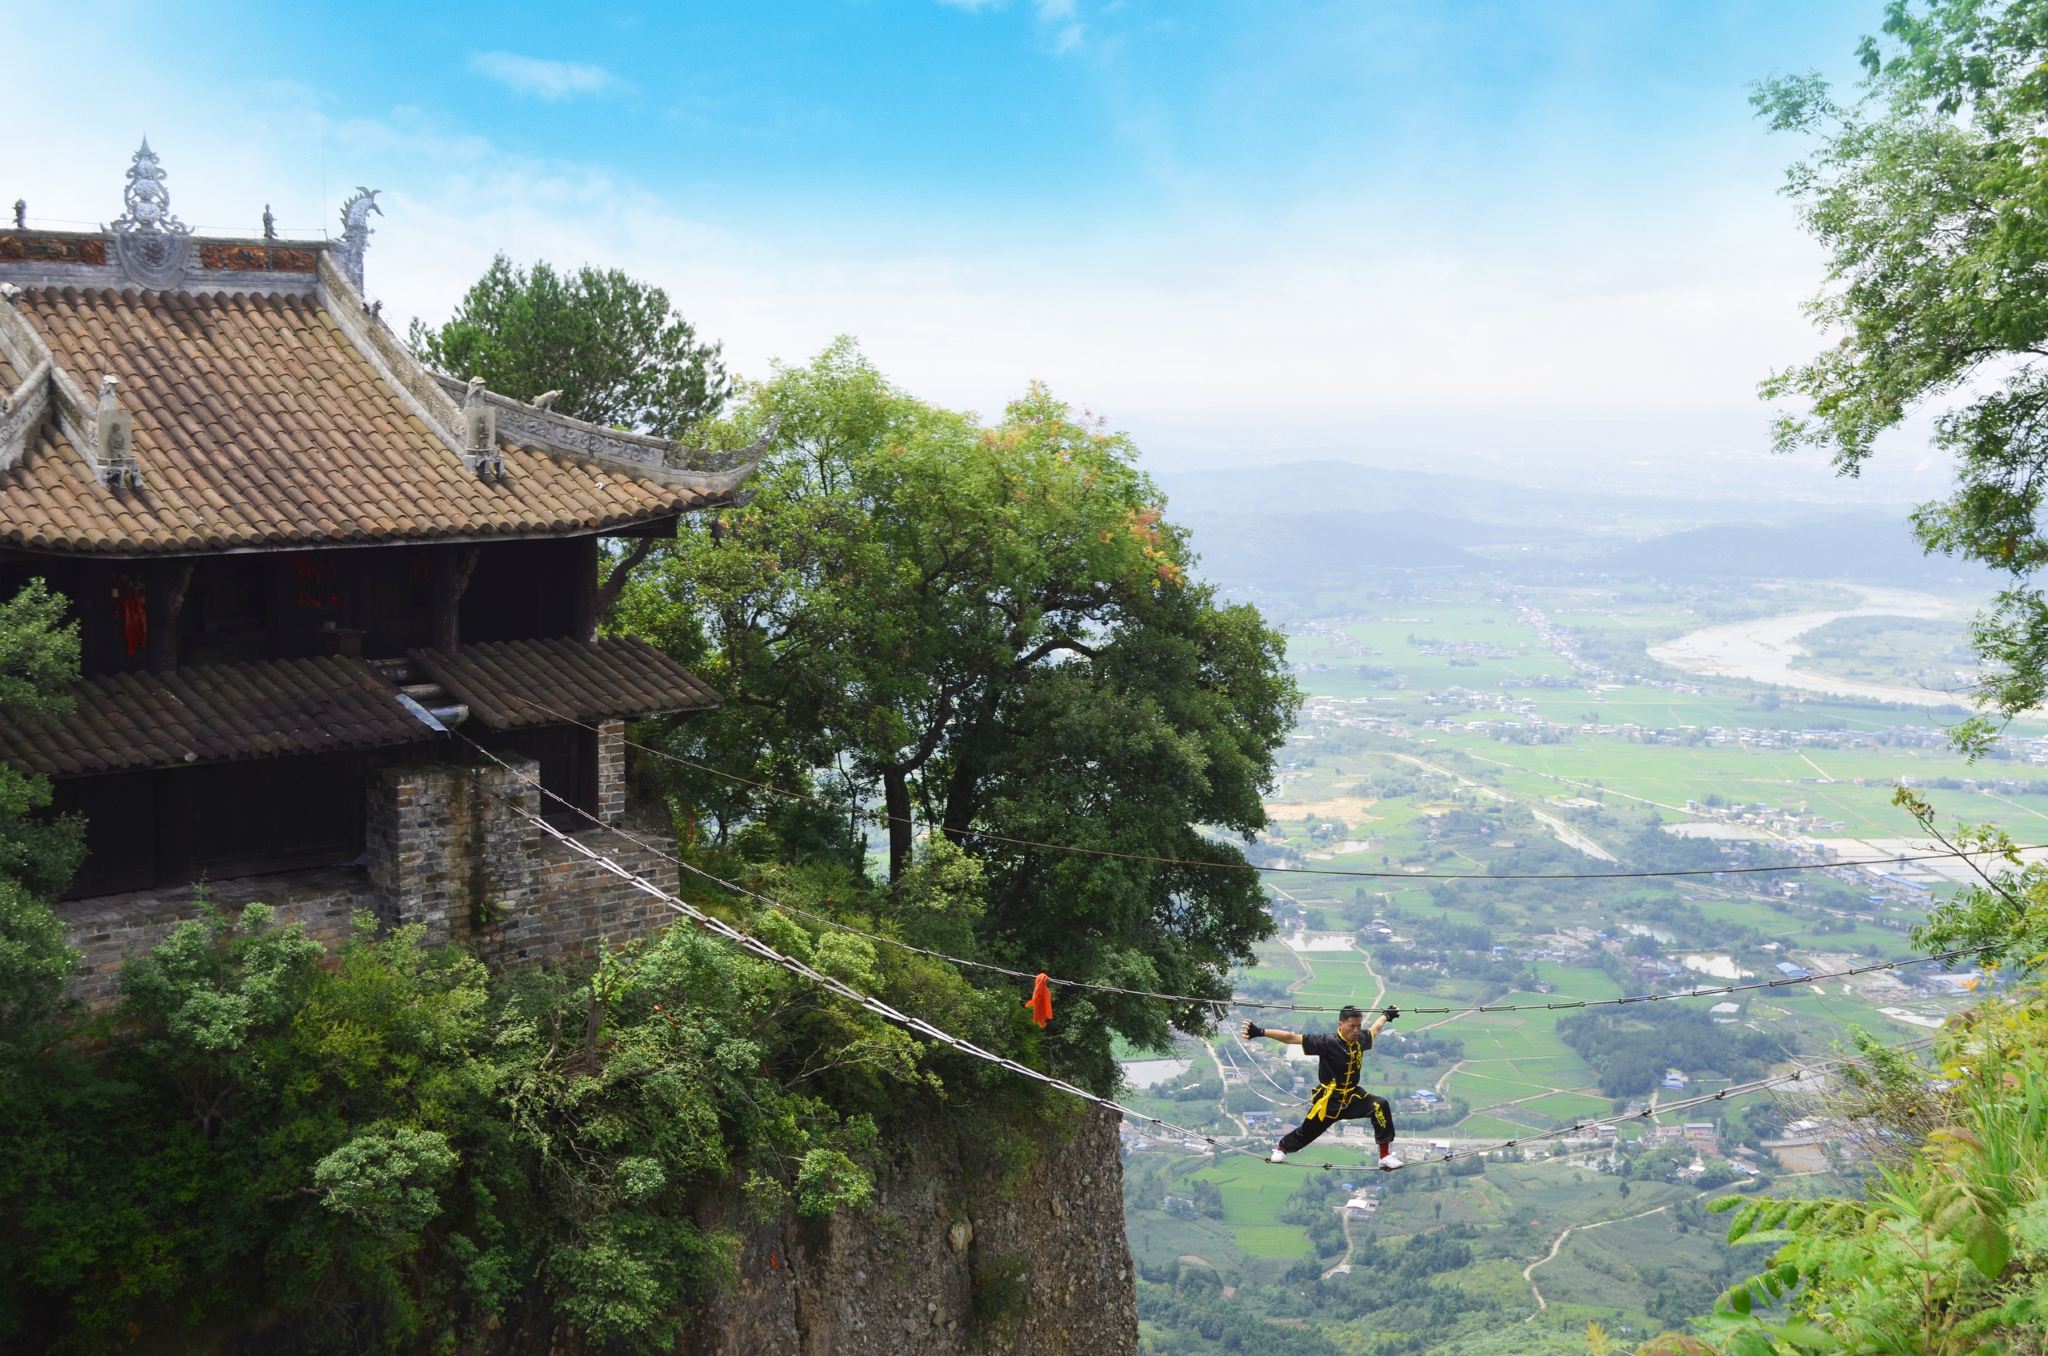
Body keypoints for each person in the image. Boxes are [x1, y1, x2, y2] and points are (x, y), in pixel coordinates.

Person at [1241, 1004, 1402, 1168]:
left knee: (1380, 1105)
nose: (1355, 1030)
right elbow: (1291, 1037)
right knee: (1306, 1133)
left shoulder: (1360, 1038)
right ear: (1341, 1024)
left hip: (1352, 1098)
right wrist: (1259, 1032)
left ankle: (1384, 1156)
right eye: (1352, 1026)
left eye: (1358, 1026)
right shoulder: (1326, 1042)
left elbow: (1374, 1030)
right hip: (1328, 1102)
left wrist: (1386, 1016)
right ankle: (1281, 1147)